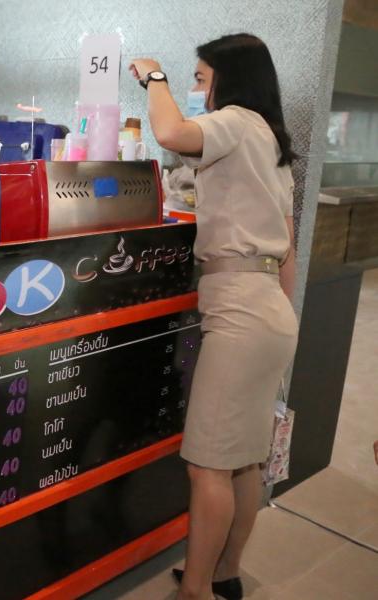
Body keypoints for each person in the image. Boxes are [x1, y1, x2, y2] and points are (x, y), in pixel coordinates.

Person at [131, 34, 299, 600]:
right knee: (244, 460)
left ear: (229, 78)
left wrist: (155, 77)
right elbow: (289, 250)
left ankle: (195, 591)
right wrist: (285, 320)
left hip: (239, 313)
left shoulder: (235, 121)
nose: (198, 89)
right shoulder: (272, 142)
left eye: (201, 78)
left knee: (207, 466)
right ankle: (225, 574)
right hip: (271, 311)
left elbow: (170, 133)